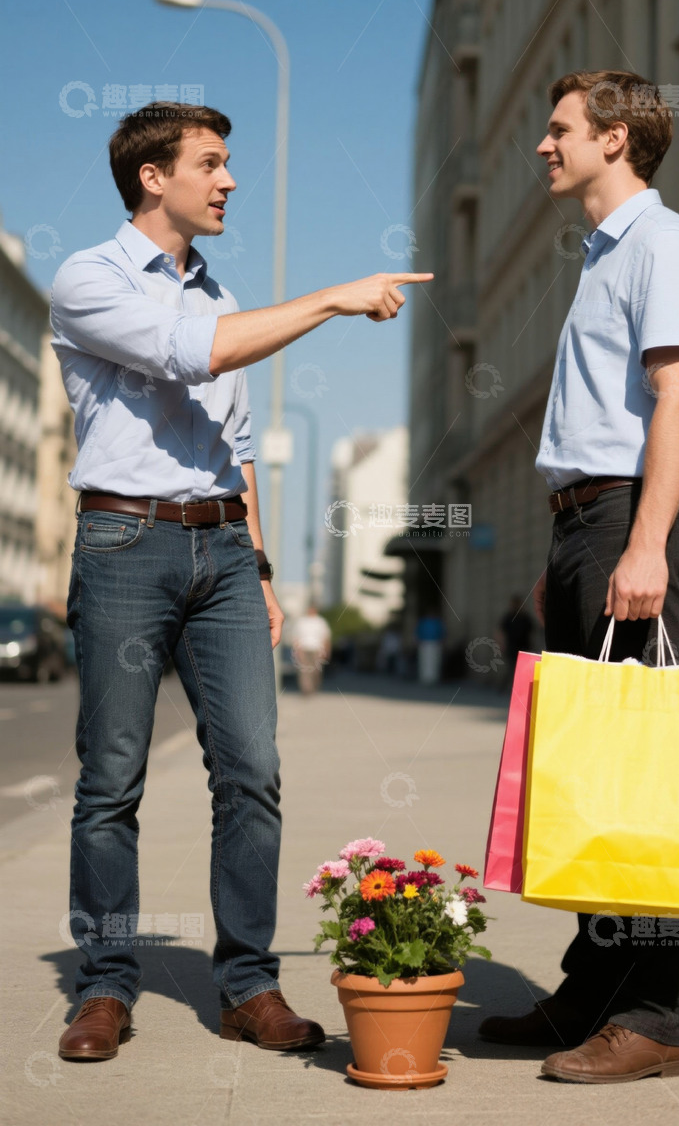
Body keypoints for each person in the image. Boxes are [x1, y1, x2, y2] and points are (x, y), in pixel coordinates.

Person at [52, 100, 432, 1062]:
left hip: (223, 549)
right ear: (153, 177)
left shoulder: (221, 295)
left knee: (252, 772)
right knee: (112, 779)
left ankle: (247, 985)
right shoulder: (88, 279)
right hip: (124, 542)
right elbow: (192, 353)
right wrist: (334, 298)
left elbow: (240, 446)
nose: (229, 181)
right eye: (211, 163)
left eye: (228, 164)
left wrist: (259, 567)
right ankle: (104, 984)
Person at [479, 71, 679, 1083]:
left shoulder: (663, 244)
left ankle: (657, 1019)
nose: (543, 146)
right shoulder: (603, 255)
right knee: (591, 769)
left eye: (559, 129)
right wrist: (568, 549)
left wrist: (642, 542)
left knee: (649, 774)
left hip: (631, 513)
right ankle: (592, 991)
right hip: (589, 522)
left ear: (614, 138)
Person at [291, 605, 331, 694]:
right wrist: (296, 650)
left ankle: (314, 686)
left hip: (317, 649)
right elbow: (295, 637)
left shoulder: (321, 622)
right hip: (303, 649)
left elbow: (326, 637)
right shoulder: (301, 622)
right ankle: (306, 689)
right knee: (304, 670)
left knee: (316, 670)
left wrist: (327, 650)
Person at [497, 593, 534, 681]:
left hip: (524, 648)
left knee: (522, 670)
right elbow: (500, 632)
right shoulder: (508, 617)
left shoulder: (525, 618)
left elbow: (531, 632)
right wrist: (502, 645)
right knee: (512, 670)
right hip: (512, 648)